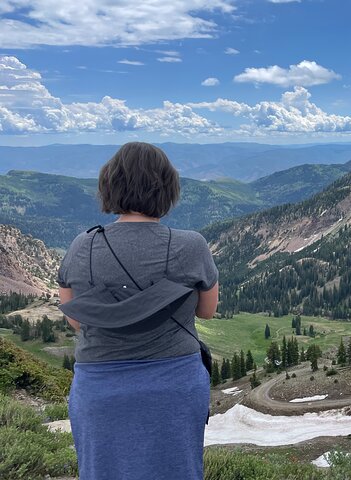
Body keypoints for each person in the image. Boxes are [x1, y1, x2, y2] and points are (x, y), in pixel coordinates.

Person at [58, 142, 219, 480]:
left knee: (103, 470)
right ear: (167, 189)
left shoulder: (82, 245)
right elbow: (207, 311)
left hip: (99, 384)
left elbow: (75, 319)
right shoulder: (191, 245)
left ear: (110, 185)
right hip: (175, 382)